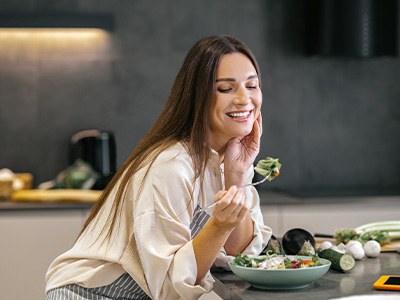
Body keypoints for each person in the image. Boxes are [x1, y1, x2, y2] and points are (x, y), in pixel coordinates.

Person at [45, 35, 272, 300]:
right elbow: (166, 287)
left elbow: (239, 256)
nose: (244, 99)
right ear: (198, 96)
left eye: (252, 85)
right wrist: (219, 226)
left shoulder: (230, 161)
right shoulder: (171, 165)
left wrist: (236, 177)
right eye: (225, 89)